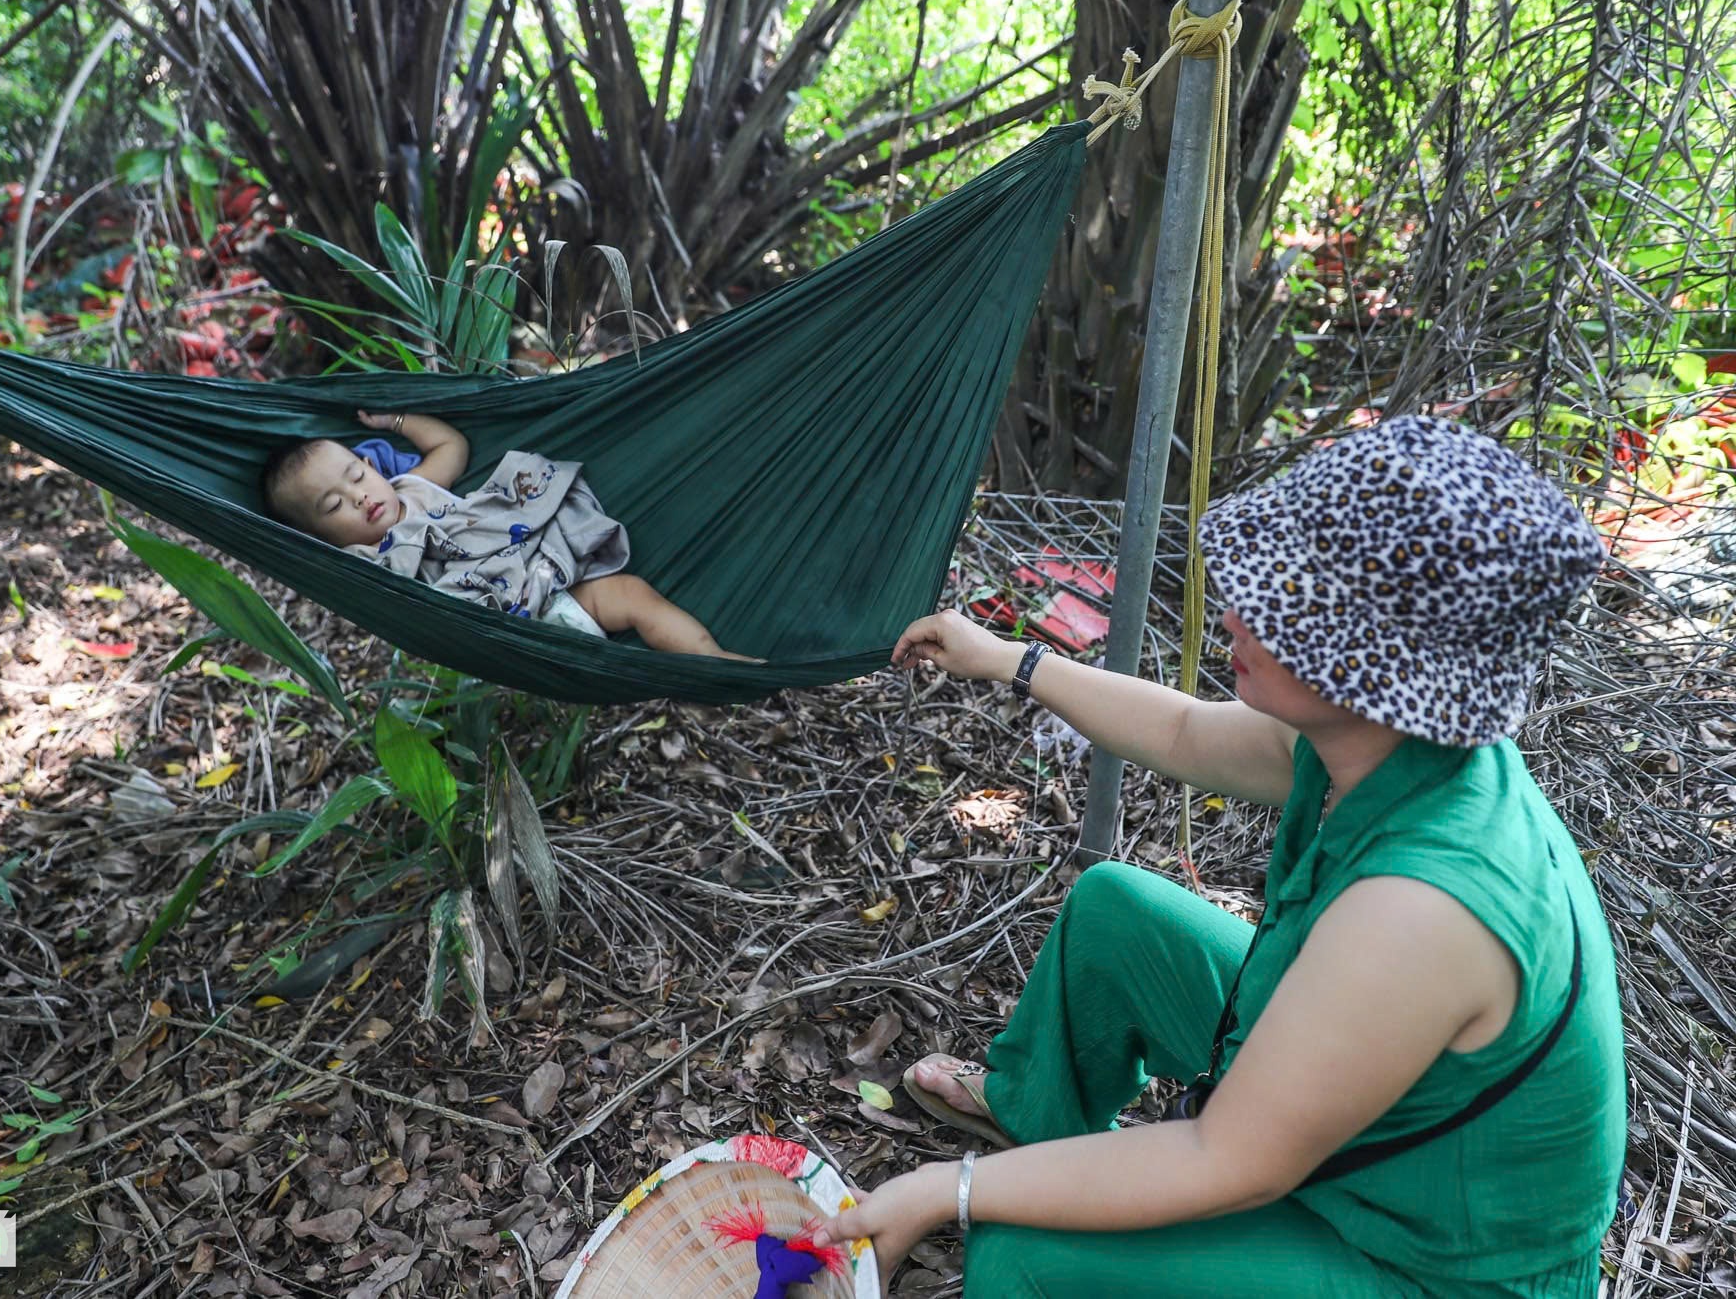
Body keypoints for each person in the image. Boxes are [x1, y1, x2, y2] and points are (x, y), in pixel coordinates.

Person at [812, 417, 1624, 1296]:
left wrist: (947, 1193)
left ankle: (1029, 1193)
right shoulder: (1379, 742)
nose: (1235, 609)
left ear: (1370, 656)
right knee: (1115, 912)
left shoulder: (1425, 907)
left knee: (1021, 1260)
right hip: (1358, 1125)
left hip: (1426, 1257)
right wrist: (1009, 658)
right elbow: (1183, 727)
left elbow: (1226, 1157)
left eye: (1277, 601)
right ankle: (1031, 1118)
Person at [261, 410, 751, 659]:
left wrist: (397, 422)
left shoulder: (413, 486)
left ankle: (713, 664)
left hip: (545, 588)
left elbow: (451, 443)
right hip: (506, 631)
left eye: (356, 476)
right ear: (319, 536)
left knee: (633, 594)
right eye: (333, 506)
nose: (360, 497)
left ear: (372, 464)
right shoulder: (360, 563)